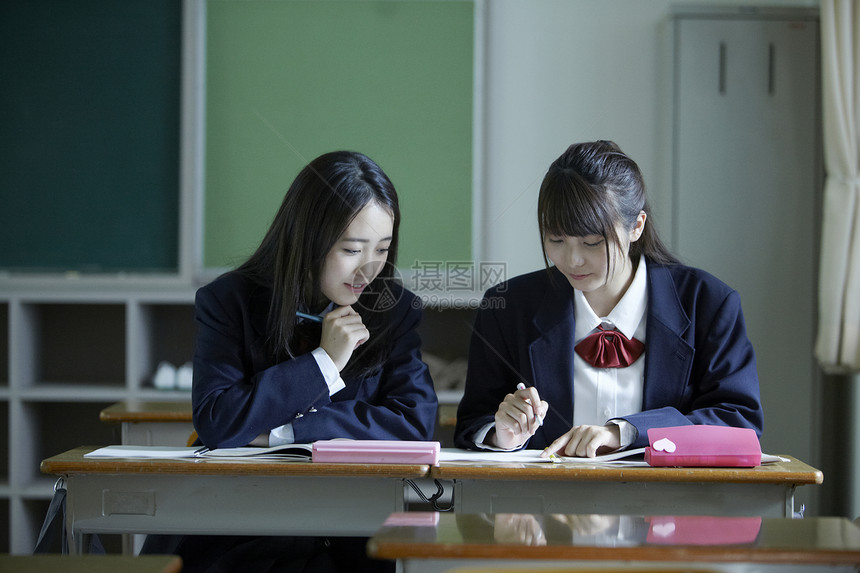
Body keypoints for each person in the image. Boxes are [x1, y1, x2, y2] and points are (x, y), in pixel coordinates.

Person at [145, 150, 437, 573]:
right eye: (353, 250)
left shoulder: (395, 310)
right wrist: (323, 363)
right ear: (309, 240)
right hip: (242, 535)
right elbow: (217, 419)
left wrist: (283, 433)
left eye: (383, 249)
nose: (368, 270)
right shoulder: (230, 302)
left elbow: (414, 425)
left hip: (351, 538)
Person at [454, 140, 762, 458]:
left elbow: (738, 423)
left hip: (670, 502)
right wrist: (503, 434)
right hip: (544, 504)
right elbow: (472, 422)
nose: (572, 260)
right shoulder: (508, 307)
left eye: (591, 242)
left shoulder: (708, 303)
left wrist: (624, 433)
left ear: (636, 226)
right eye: (556, 239)